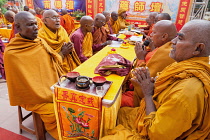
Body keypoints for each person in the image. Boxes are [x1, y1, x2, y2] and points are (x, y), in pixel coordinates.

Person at [101, 19, 210, 140]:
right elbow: (160, 82)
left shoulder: (186, 92)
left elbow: (156, 134)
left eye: (180, 38)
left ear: (198, 49)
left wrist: (148, 93)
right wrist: (150, 83)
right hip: (154, 113)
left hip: (152, 132)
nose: (172, 42)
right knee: (118, 113)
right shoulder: (183, 65)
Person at [4, 11, 65, 140]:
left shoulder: (39, 41)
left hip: (50, 85)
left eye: (36, 24)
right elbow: (22, 84)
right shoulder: (12, 53)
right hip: (33, 95)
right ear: (18, 28)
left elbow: (52, 61)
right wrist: (46, 94)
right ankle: (64, 133)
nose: (36, 28)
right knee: (57, 110)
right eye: (31, 25)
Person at [121, 20, 176, 107]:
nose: (150, 35)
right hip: (141, 89)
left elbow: (142, 81)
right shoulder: (163, 48)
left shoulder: (166, 54)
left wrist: (141, 58)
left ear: (164, 36)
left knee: (115, 101)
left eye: (154, 32)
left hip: (144, 97)